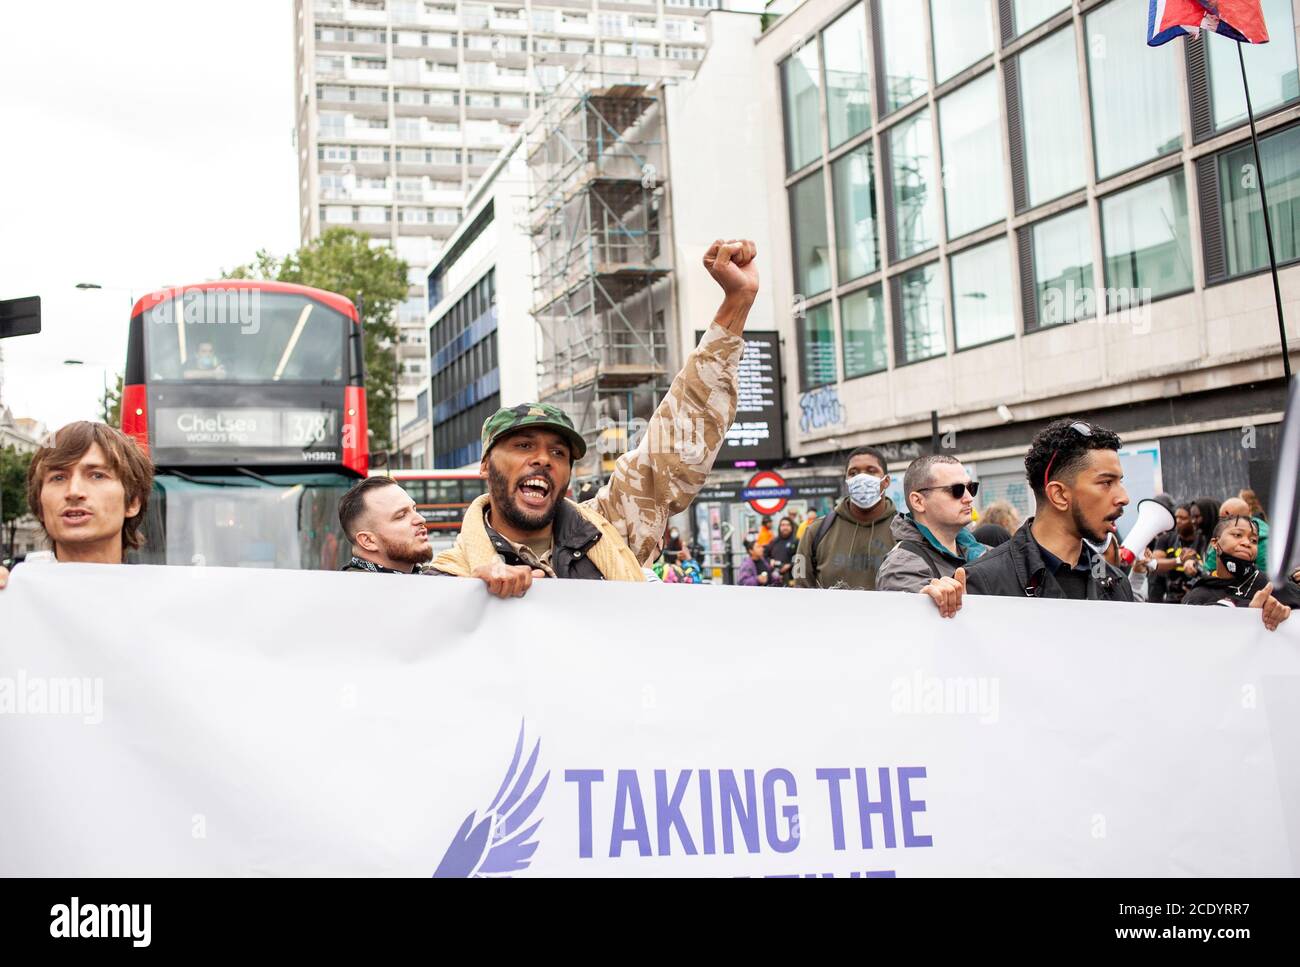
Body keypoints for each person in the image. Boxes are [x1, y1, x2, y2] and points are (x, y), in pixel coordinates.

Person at [431, 238, 759, 592]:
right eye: (524, 446)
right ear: (485, 464)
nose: (543, 459)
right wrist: (470, 596)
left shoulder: (608, 530)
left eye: (558, 452)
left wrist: (736, 303)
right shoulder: (448, 575)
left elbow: (676, 442)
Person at [923, 419, 1134, 614]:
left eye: (1120, 482)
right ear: (1059, 495)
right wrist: (926, 615)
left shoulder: (1116, 583)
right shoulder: (981, 583)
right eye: (1106, 483)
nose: (1123, 498)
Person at [0, 421, 155, 589]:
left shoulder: (166, 601)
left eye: (97, 475)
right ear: (40, 507)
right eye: (58, 477)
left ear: (132, 502)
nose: (74, 492)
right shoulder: (11, 599)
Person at [877, 455, 986, 594]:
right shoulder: (901, 566)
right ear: (918, 501)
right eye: (956, 490)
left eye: (971, 488)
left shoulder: (980, 550)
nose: (969, 498)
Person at [792, 447, 897, 591]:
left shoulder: (905, 531)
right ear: (847, 481)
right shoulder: (815, 532)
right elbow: (801, 590)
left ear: (886, 481)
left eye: (871, 471)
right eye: (853, 473)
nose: (861, 477)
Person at [1183, 515, 1293, 630]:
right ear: (1215, 543)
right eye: (1237, 535)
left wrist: (1281, 612)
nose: (1247, 543)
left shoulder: (1271, 585)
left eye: (1254, 540)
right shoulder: (1196, 595)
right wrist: (1247, 609)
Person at [337, 476, 436, 574]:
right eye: (401, 516)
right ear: (368, 540)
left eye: (414, 509)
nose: (421, 519)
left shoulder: (435, 578)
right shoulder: (353, 589)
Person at [1204, 496, 1269, 572]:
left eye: (1253, 540)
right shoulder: (1266, 534)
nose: (1246, 543)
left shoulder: (1263, 543)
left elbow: (1266, 575)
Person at [763, 516, 799, 587]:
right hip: (775, 578)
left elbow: (801, 556)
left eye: (788, 525)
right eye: (783, 525)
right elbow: (764, 555)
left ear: (791, 527)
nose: (785, 527)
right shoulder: (774, 541)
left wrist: (790, 565)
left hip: (792, 578)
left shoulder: (796, 541)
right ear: (779, 527)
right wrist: (770, 561)